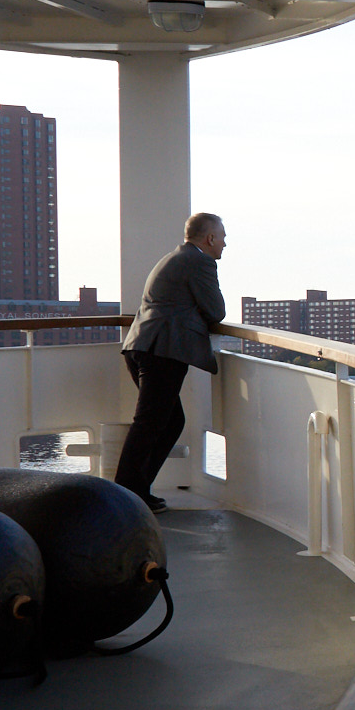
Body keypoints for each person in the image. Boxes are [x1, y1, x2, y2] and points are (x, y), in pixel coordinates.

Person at [115, 212, 227, 512]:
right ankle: (126, 495)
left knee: (169, 421)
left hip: (143, 345)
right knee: (149, 423)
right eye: (222, 237)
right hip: (163, 350)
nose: (225, 244)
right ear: (210, 238)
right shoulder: (200, 262)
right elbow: (216, 311)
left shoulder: (174, 257)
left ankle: (137, 490)